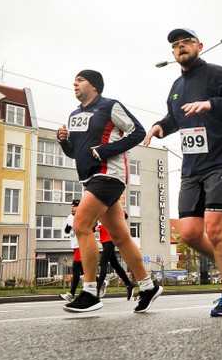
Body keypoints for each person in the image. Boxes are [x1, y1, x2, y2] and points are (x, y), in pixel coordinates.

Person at [143, 28, 222, 317]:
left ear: (199, 46)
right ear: (173, 53)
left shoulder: (216, 74)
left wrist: (212, 103)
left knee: (215, 229)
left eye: (186, 42)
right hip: (191, 168)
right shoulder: (176, 86)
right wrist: (161, 127)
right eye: (175, 45)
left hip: (221, 161)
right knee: (190, 234)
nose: (181, 47)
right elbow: (175, 117)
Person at [58, 70, 162, 313]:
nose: (75, 83)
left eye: (80, 80)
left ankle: (91, 291)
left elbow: (137, 131)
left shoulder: (109, 106)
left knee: (81, 226)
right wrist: (64, 141)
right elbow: (76, 152)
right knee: (120, 237)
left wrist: (106, 150)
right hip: (90, 178)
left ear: (94, 86)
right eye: (74, 80)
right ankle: (148, 286)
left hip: (108, 174)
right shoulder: (75, 115)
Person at [96, 215, 137, 300]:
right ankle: (129, 284)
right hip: (104, 240)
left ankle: (97, 290)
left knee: (103, 262)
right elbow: (96, 227)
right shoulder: (99, 211)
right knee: (115, 264)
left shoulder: (110, 206)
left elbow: (124, 214)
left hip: (110, 239)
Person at [60, 200, 82, 302]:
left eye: (74, 206)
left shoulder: (82, 216)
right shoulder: (69, 217)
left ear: (79, 207)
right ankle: (100, 281)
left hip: (81, 245)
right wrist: (68, 229)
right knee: (83, 270)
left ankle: (71, 294)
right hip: (74, 245)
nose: (72, 208)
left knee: (75, 268)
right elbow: (66, 230)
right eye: (71, 206)